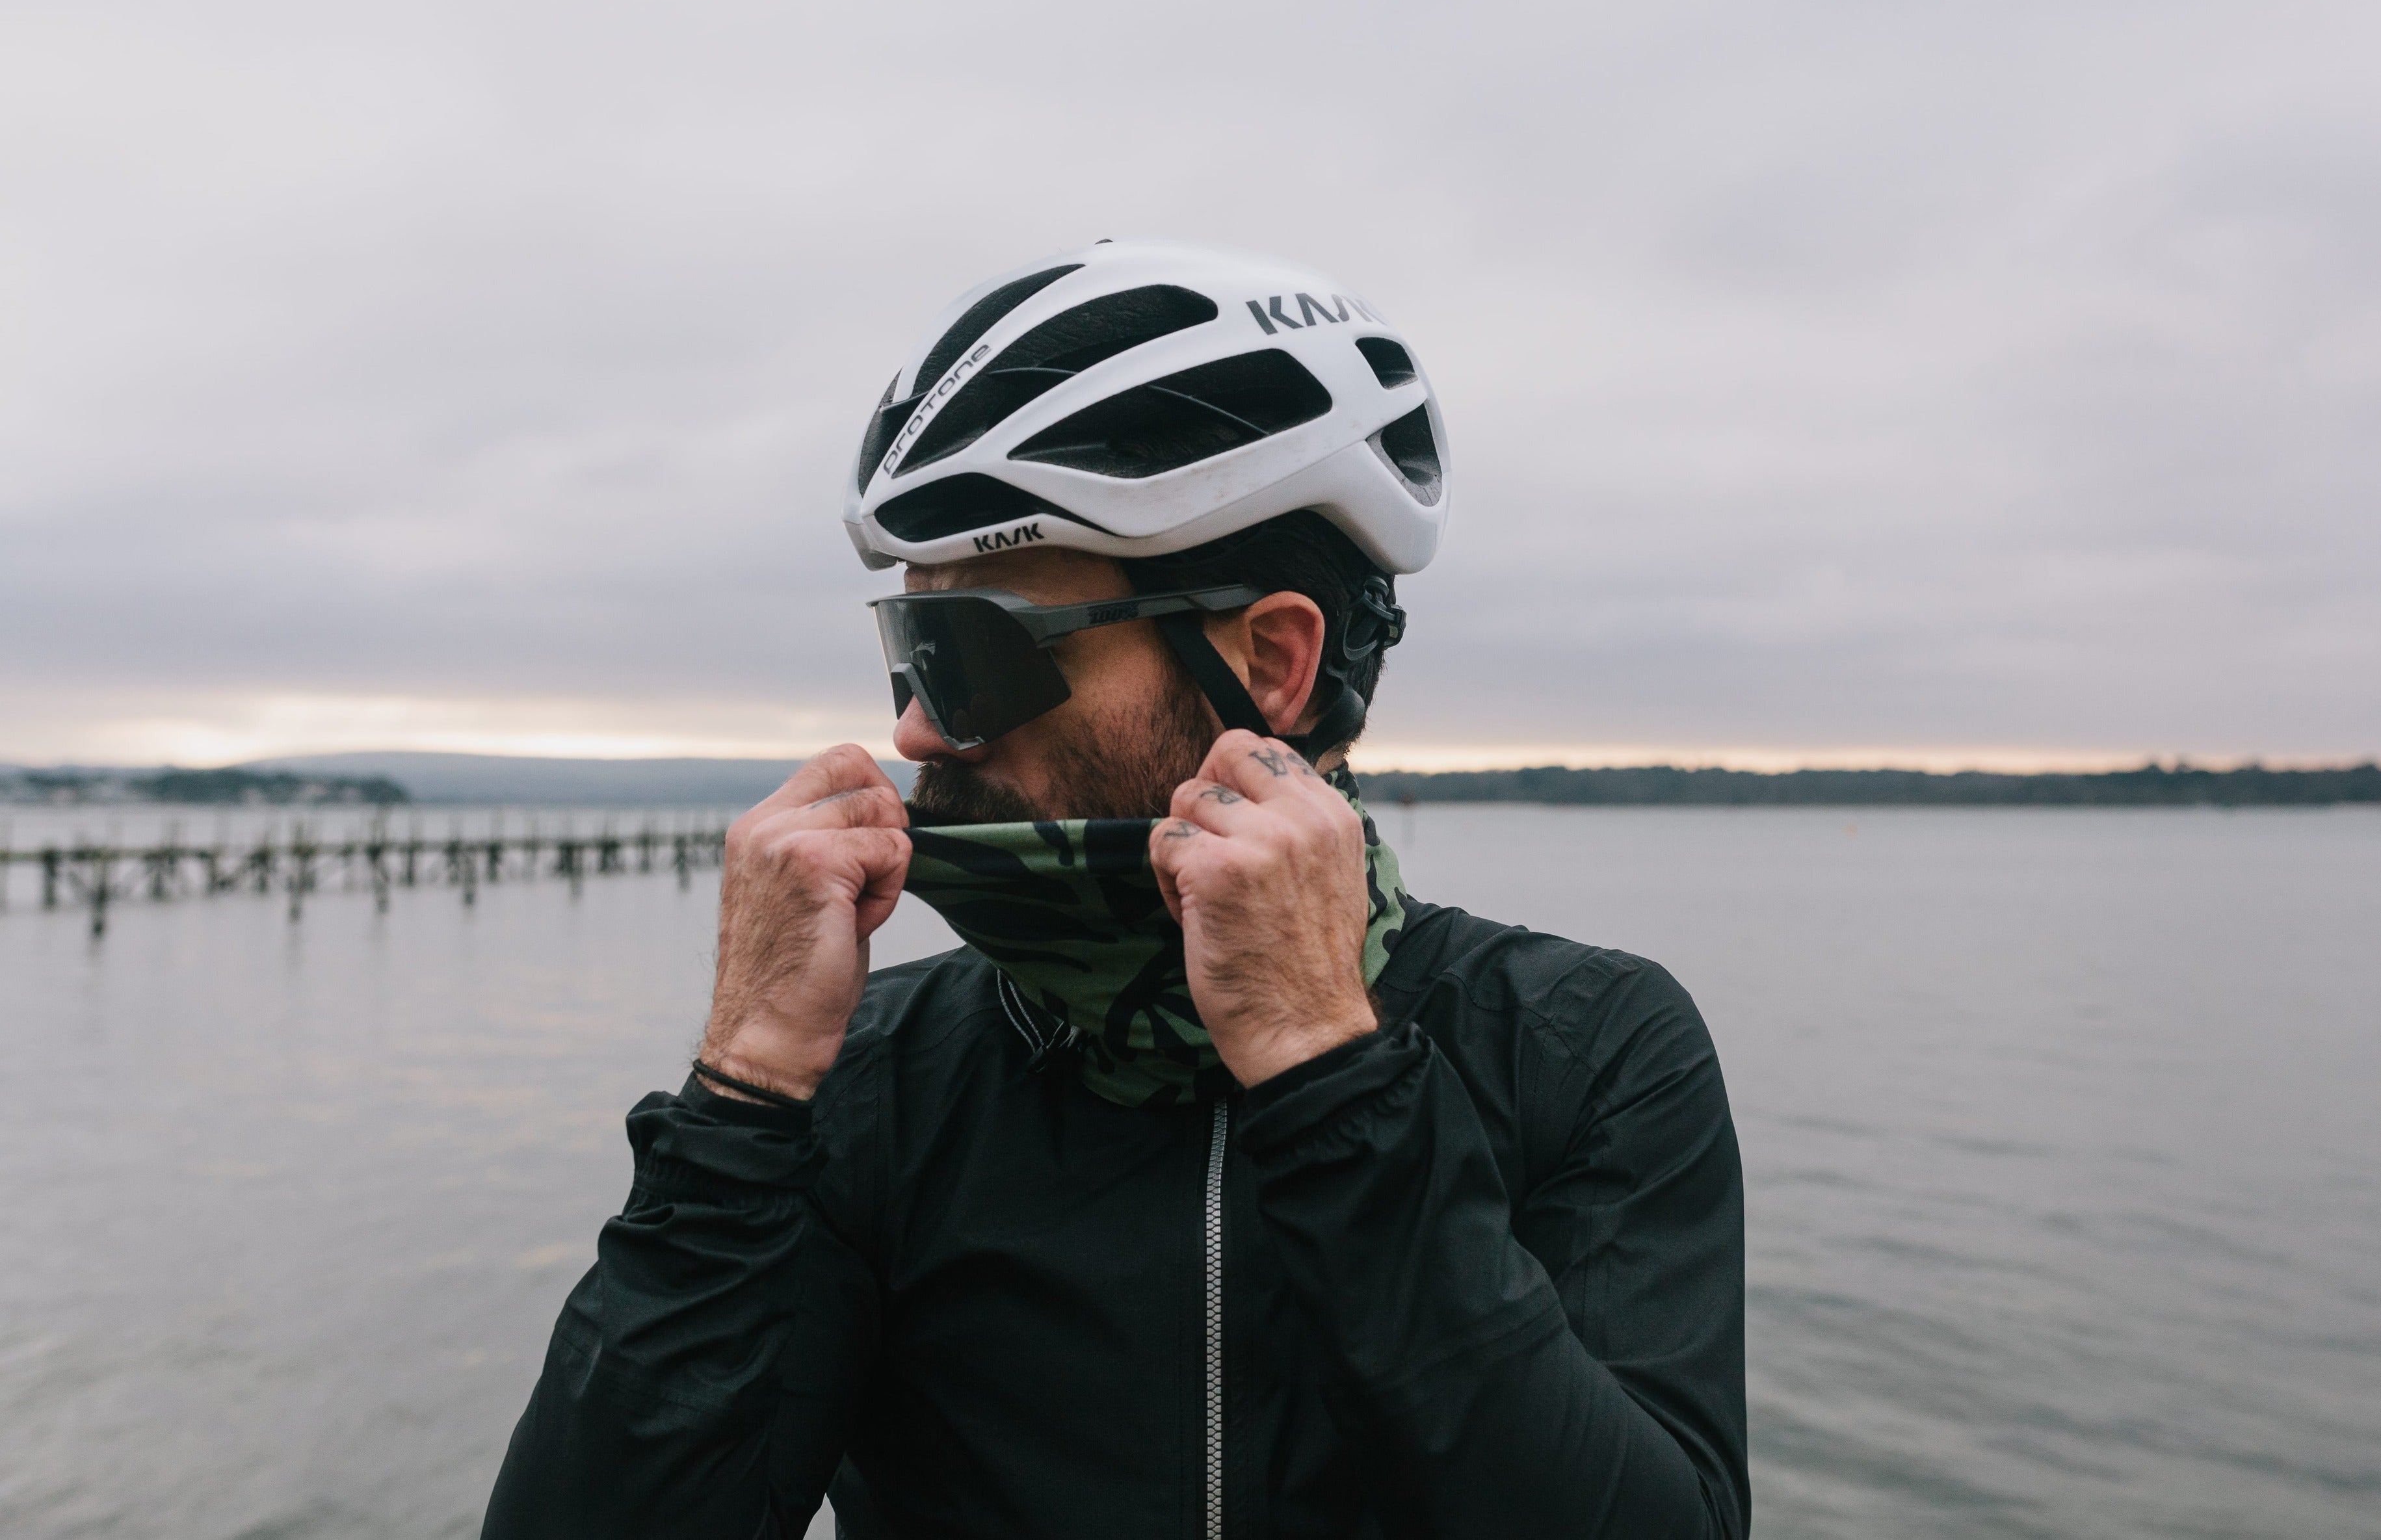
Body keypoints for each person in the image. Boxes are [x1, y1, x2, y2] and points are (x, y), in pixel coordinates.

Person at [482, 240, 1749, 1537]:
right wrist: (739, 1097)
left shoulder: (1582, 1050)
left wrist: (1326, 1077)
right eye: (906, 648)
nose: (918, 728)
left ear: (1268, 661)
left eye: (971, 649)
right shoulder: (868, 1079)